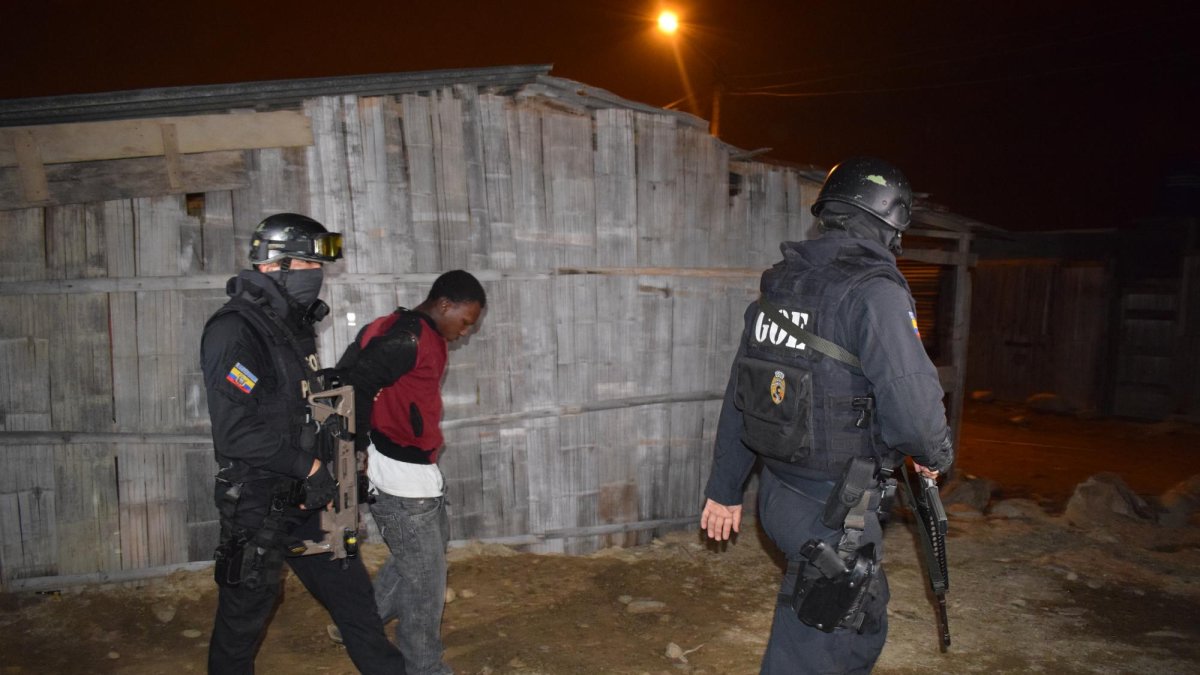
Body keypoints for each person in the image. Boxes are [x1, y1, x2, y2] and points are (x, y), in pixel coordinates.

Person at [699, 158, 955, 674]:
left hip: (779, 492)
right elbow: (912, 402)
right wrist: (932, 454)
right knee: (826, 636)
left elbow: (742, 389)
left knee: (855, 619)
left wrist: (726, 487)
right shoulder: (875, 291)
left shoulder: (785, 284)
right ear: (892, 220)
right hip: (836, 506)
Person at [201, 212, 407, 674]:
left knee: (354, 600)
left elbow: (297, 407)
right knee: (244, 620)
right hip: (259, 503)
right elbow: (235, 432)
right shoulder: (235, 331)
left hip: (307, 498)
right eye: (313, 267)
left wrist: (336, 453)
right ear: (279, 266)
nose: (319, 277)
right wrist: (312, 469)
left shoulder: (289, 325)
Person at [333, 270, 486, 675]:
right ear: (445, 305)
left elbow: (353, 373)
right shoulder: (408, 338)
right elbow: (352, 383)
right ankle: (423, 666)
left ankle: (359, 624)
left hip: (416, 468)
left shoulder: (408, 331)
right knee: (426, 584)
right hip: (398, 473)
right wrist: (357, 452)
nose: (465, 331)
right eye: (465, 321)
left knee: (424, 556)